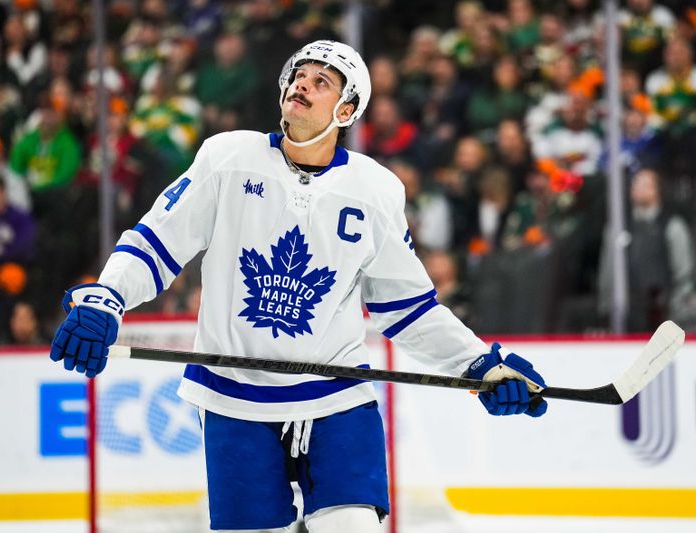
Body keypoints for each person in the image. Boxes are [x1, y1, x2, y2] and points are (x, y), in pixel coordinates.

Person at [48, 40, 548, 533]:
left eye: (321, 82)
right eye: (299, 76)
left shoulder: (375, 191)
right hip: (233, 400)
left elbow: (408, 309)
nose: (302, 85)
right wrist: (106, 298)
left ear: (346, 110)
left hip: (336, 397)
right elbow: (155, 243)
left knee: (352, 527)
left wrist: (479, 364)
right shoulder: (226, 159)